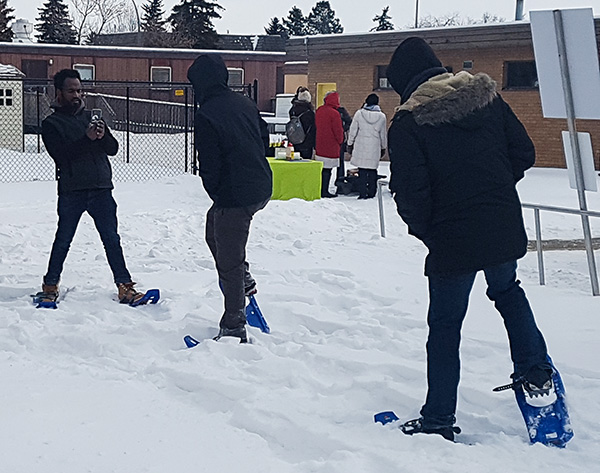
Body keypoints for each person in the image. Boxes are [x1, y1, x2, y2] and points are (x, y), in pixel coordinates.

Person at [386, 37, 554, 441]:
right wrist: (493, 189)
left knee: (445, 326)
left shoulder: (409, 123)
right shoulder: (486, 99)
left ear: (406, 82)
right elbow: (524, 152)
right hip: (499, 226)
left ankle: (439, 416)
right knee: (509, 293)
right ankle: (536, 373)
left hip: (451, 238)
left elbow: (411, 193)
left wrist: (428, 229)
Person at [40, 69, 150, 306]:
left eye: (79, 90)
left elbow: (113, 149)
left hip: (101, 188)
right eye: (71, 91)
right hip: (73, 190)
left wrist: (101, 136)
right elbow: (61, 156)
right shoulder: (51, 124)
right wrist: (86, 139)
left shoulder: (92, 117)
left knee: (111, 238)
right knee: (63, 239)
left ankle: (125, 285)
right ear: (58, 92)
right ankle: (50, 284)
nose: (77, 95)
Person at [187, 54, 272, 343]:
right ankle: (243, 280)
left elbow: (209, 163)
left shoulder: (208, 112)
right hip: (259, 185)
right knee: (214, 231)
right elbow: (264, 137)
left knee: (229, 259)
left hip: (237, 194)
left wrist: (219, 192)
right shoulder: (243, 103)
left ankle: (234, 324)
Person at [347, 93, 387, 199]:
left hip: (361, 145)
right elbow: (383, 134)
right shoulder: (382, 116)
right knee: (372, 170)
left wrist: (350, 143)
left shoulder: (359, 114)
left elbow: (353, 130)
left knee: (362, 170)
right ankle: (372, 192)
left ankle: (362, 192)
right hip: (374, 146)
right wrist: (383, 147)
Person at [315, 91, 344, 198]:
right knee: (328, 170)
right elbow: (338, 131)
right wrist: (341, 141)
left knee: (321, 169)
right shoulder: (335, 113)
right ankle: (325, 191)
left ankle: (320, 188)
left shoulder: (319, 110)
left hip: (320, 143)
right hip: (331, 145)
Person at [288, 86, 316, 159]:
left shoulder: (293, 110)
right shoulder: (309, 113)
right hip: (307, 142)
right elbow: (312, 128)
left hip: (294, 140)